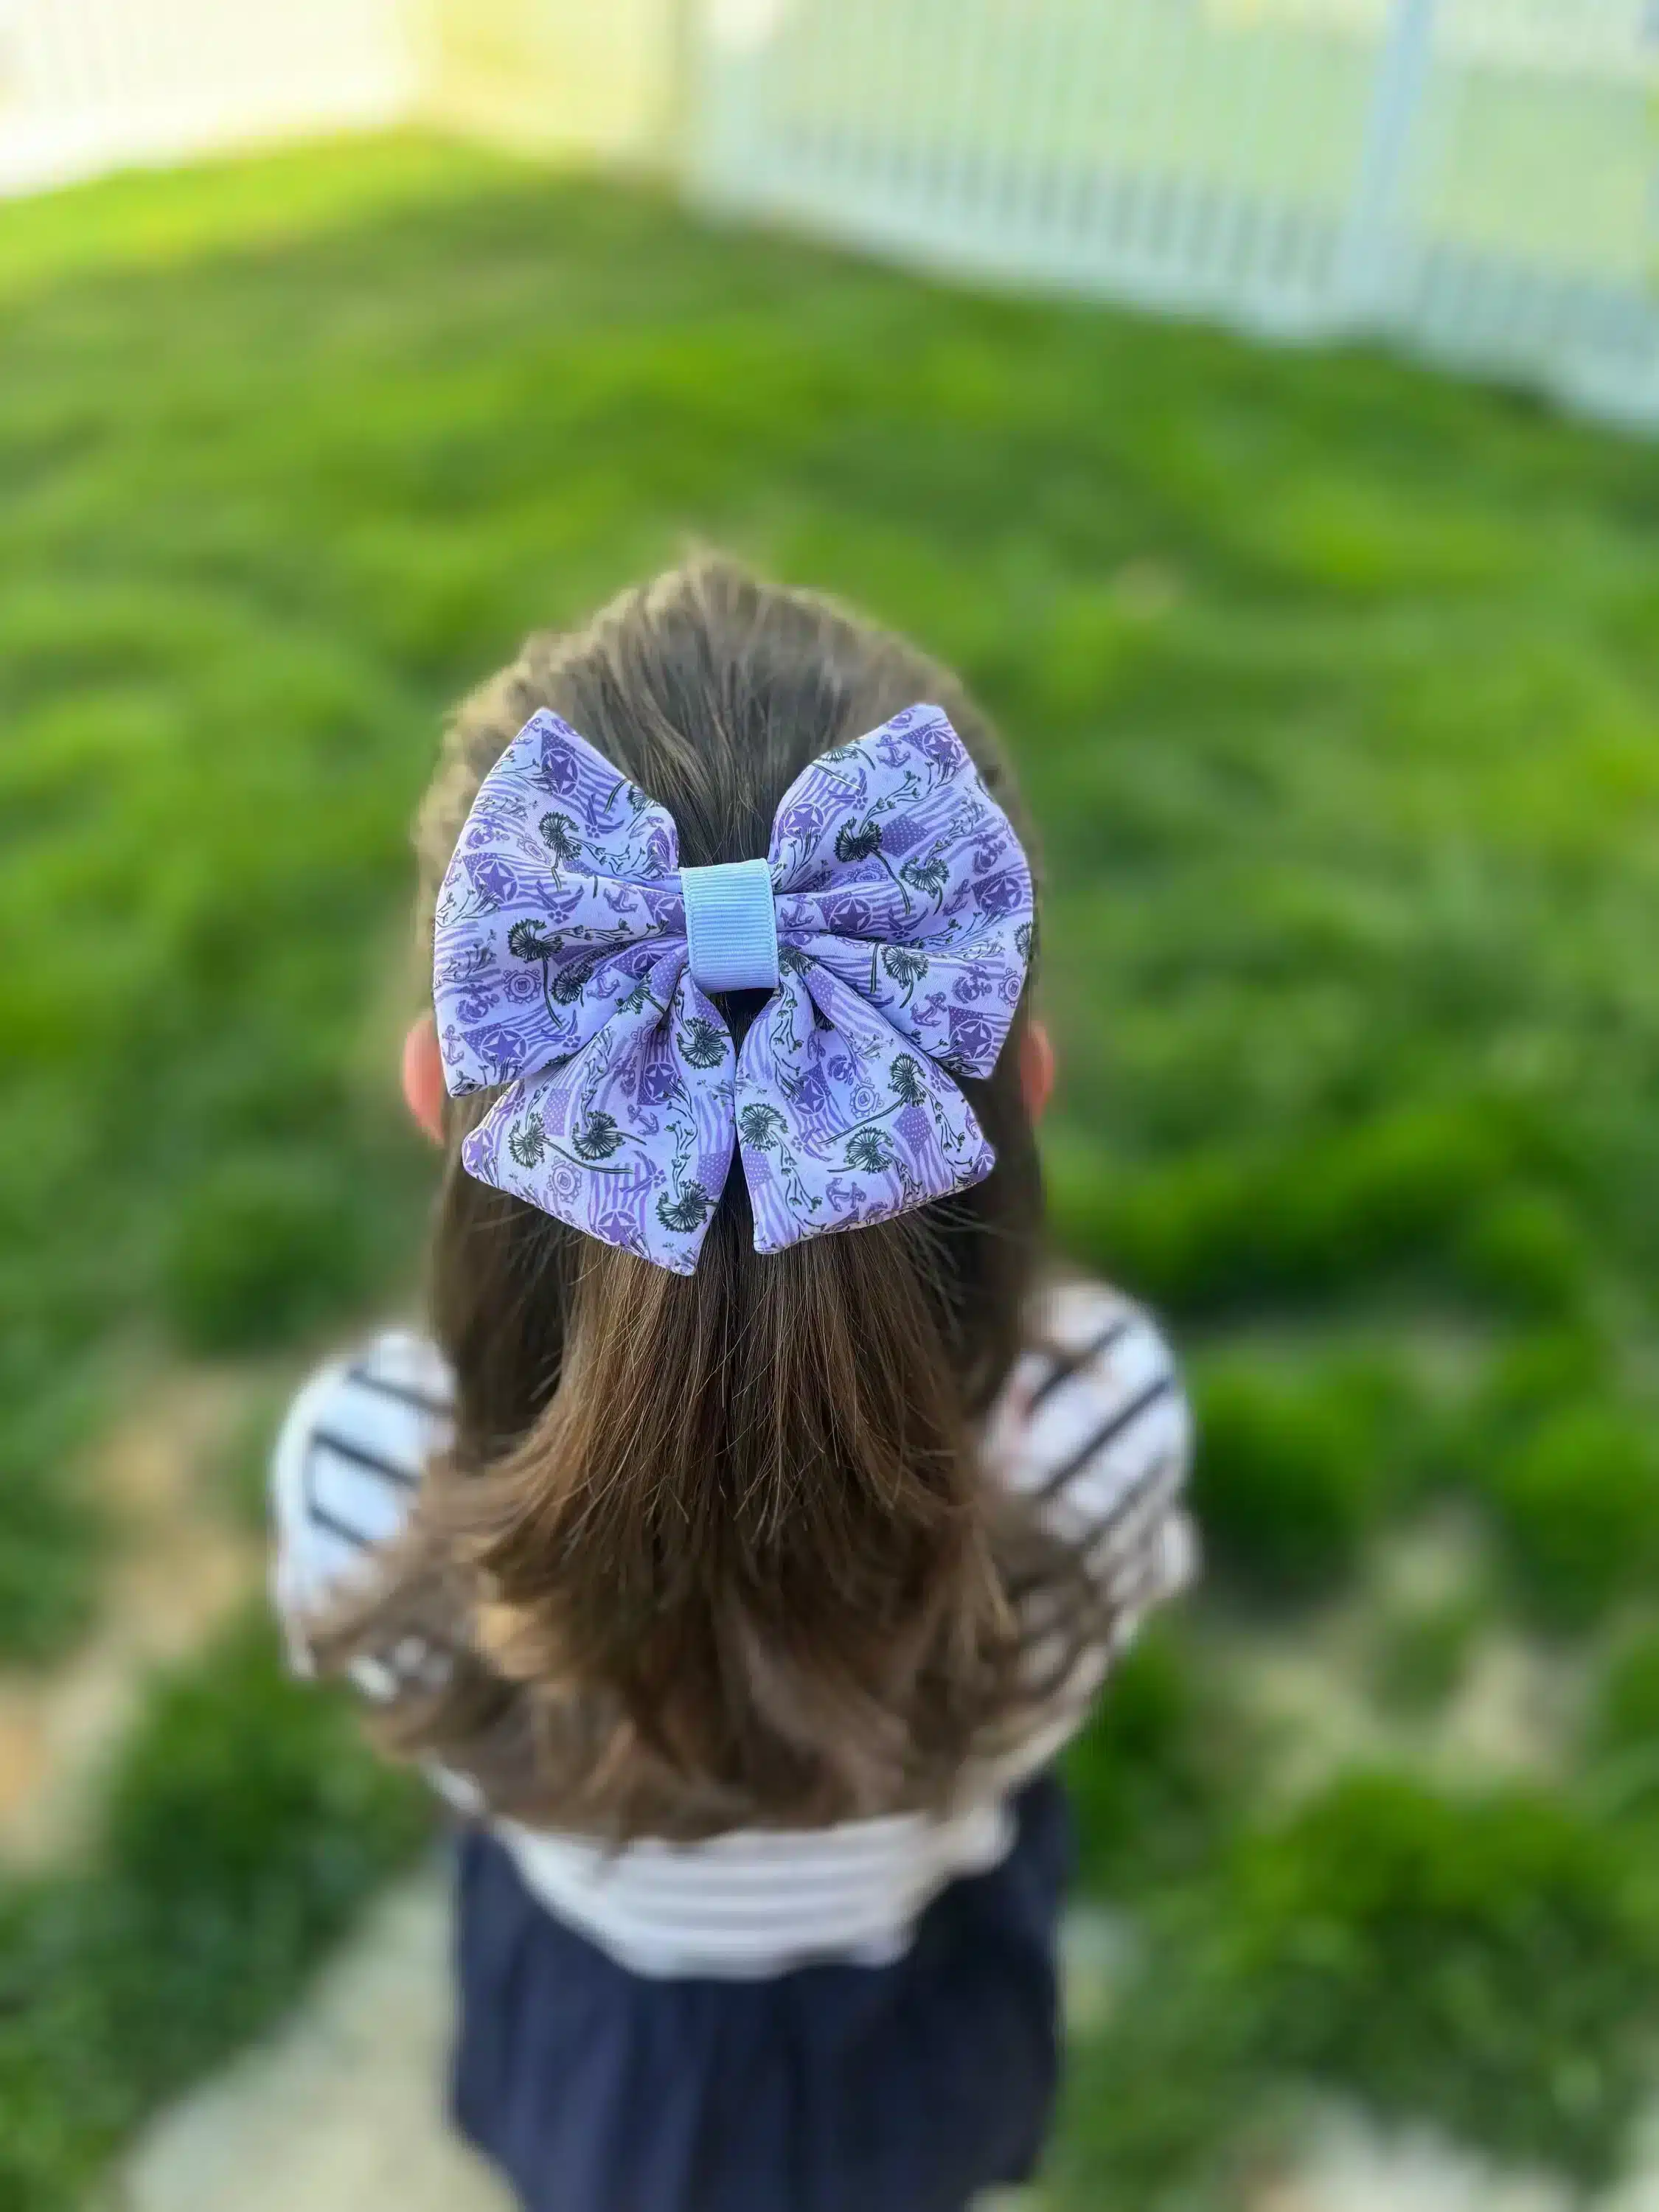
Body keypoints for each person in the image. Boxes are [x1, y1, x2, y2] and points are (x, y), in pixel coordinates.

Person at [270, 557, 1194, 2212]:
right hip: (918, 2027)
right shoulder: (1110, 1424)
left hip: (602, 2048)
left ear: (439, 1091)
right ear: (1024, 1085)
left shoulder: (360, 1475)